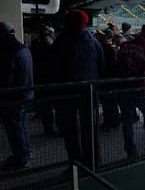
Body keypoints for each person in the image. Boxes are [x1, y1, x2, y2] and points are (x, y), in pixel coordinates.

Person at [53, 10, 105, 168]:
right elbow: (102, 65)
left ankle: (75, 164)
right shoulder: (94, 41)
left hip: (66, 92)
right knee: (90, 127)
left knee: (69, 130)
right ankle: (94, 162)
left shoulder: (61, 40)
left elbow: (53, 67)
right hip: (89, 91)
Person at [118, 24, 145, 154]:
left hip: (125, 89)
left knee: (127, 122)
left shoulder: (126, 45)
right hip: (144, 89)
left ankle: (130, 149)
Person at [1, 22, 34, 170]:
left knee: (15, 128)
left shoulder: (9, 52)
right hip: (26, 93)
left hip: (13, 97)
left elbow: (7, 77)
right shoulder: (24, 49)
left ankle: (21, 158)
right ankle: (25, 153)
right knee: (20, 126)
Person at [30, 25, 59, 136]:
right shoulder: (53, 46)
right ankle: (56, 128)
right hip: (52, 81)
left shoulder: (35, 45)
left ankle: (48, 129)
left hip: (41, 81)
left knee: (45, 108)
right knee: (55, 107)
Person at [96, 30, 122, 130]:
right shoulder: (110, 48)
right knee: (109, 102)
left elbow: (109, 66)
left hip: (108, 79)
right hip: (109, 79)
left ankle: (111, 122)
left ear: (106, 37)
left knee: (109, 102)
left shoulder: (109, 50)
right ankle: (111, 121)